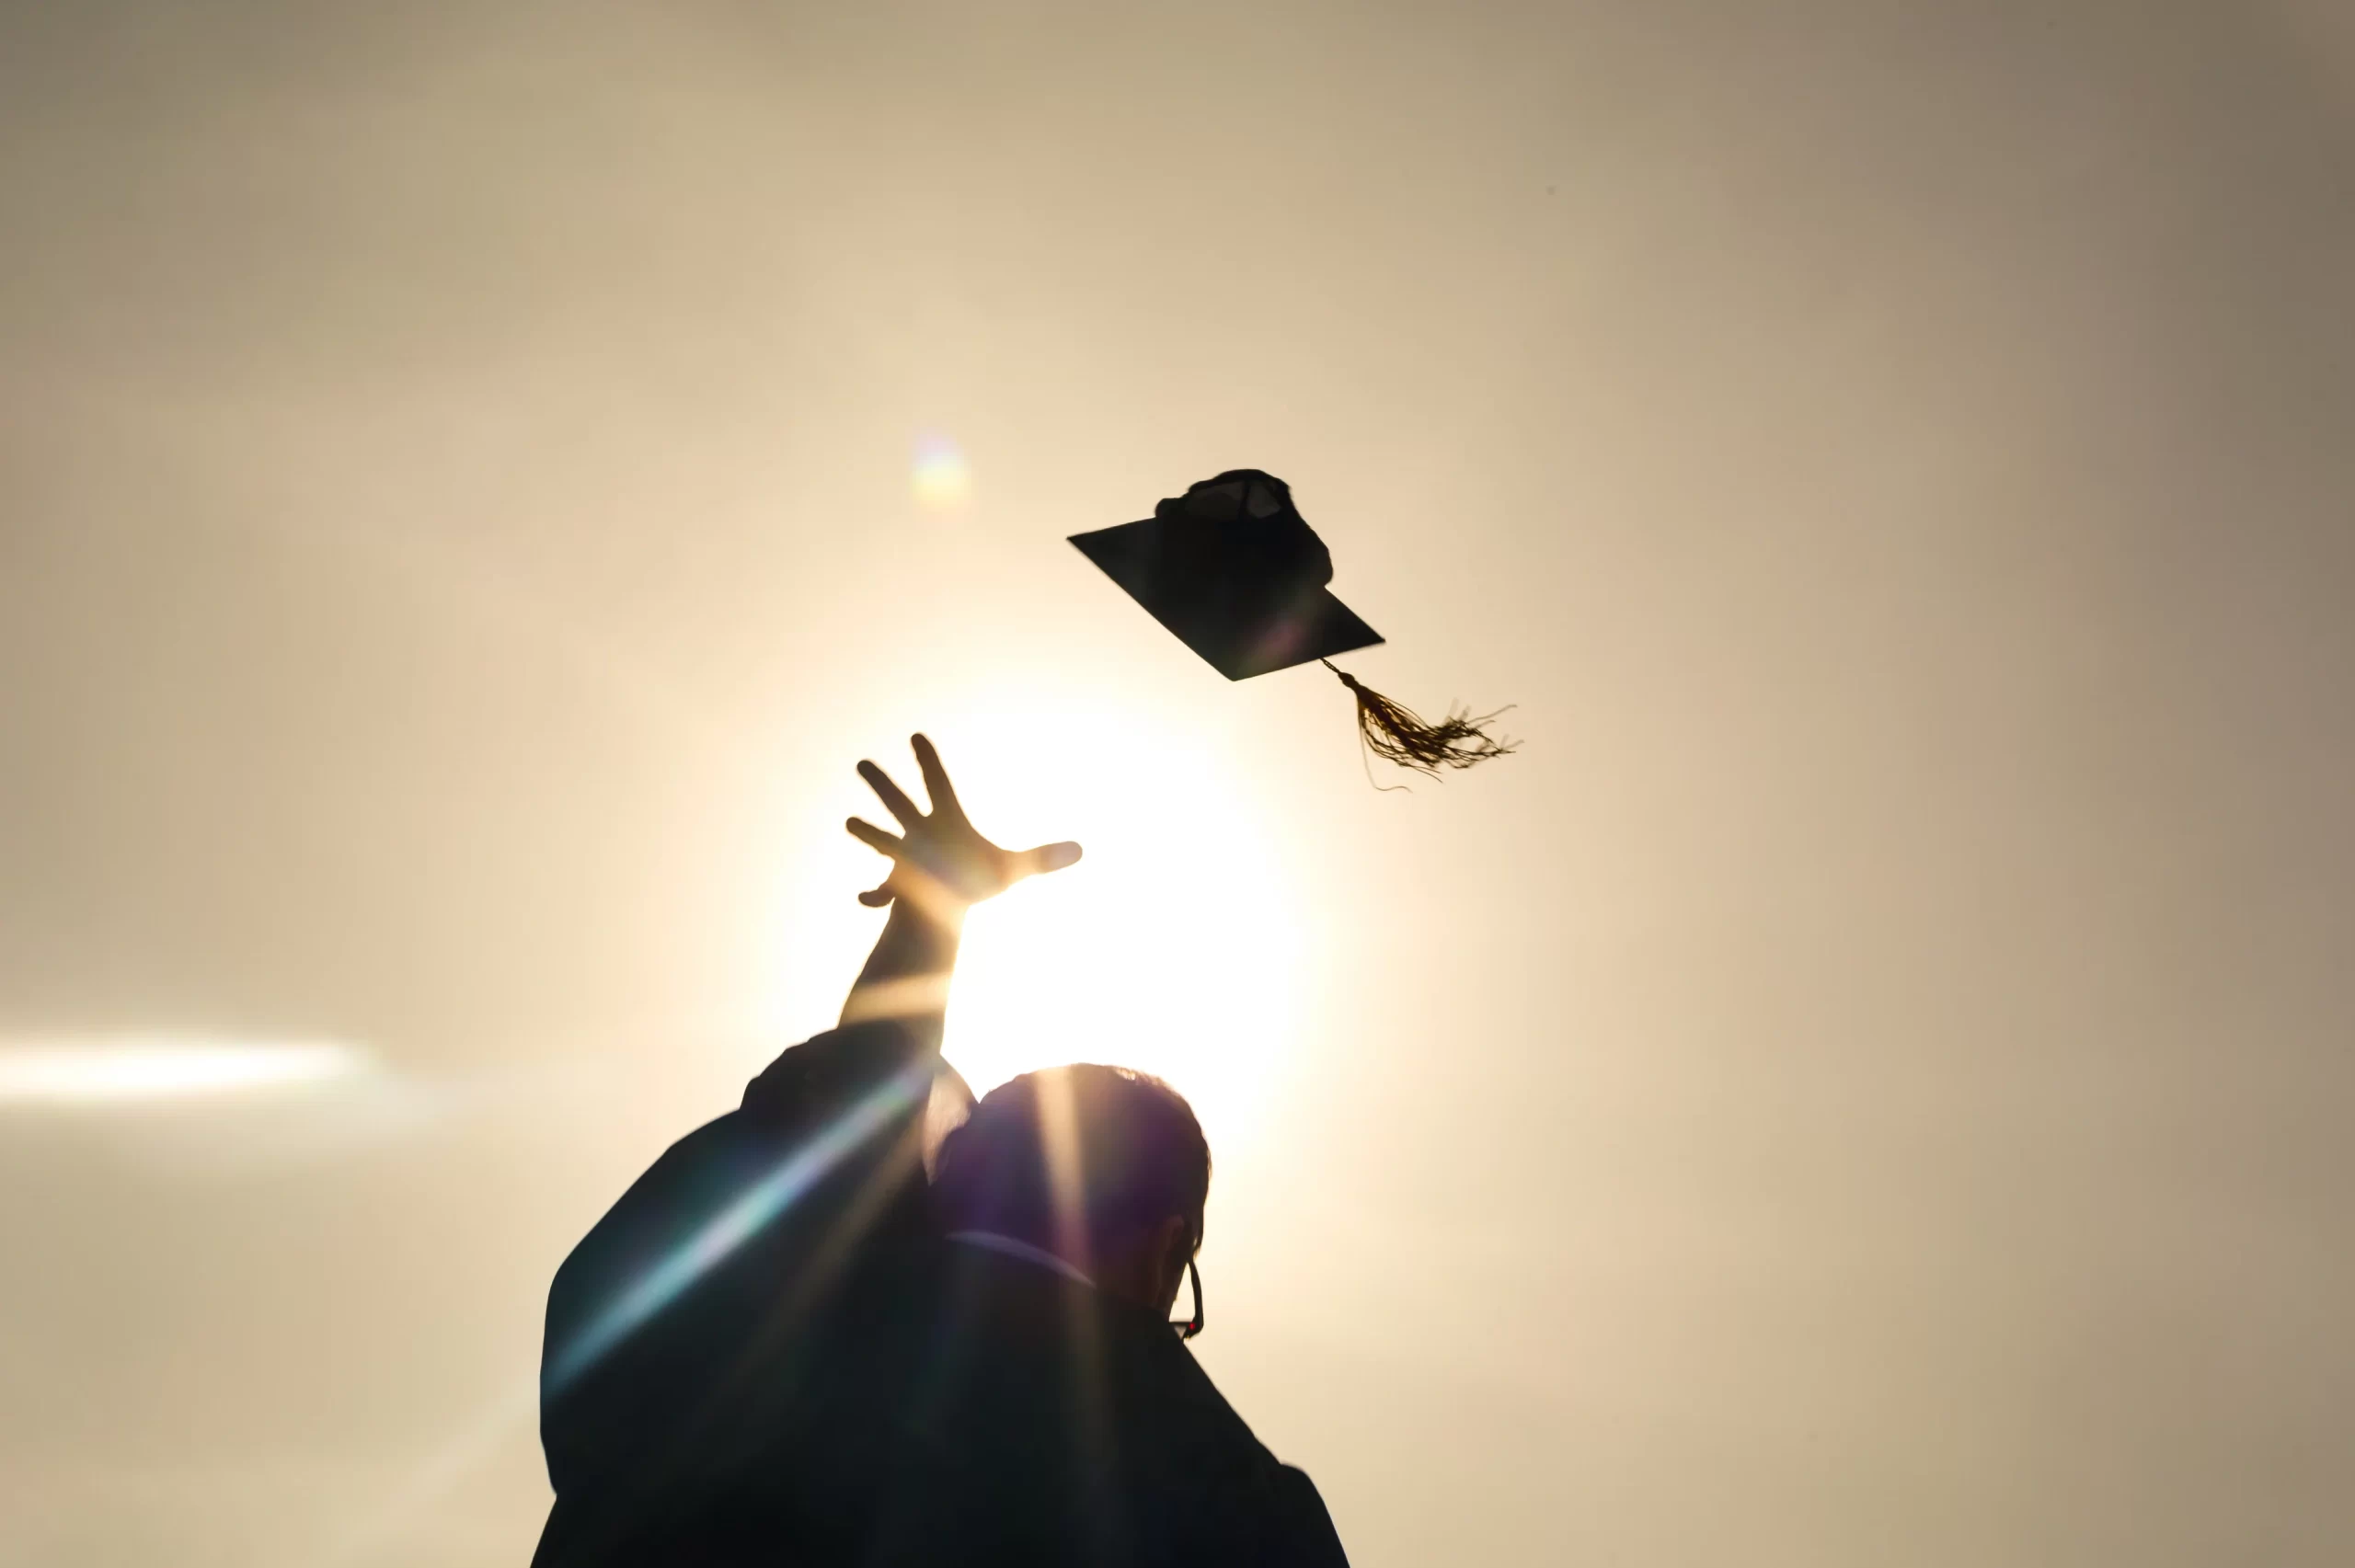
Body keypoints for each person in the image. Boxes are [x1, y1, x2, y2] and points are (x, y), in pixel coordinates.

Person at [531, 736, 1350, 1566]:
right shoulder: (1239, 1504)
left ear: (956, 1171)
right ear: (1165, 1244)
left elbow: (847, 1109)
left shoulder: (766, 1314)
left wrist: (934, 910)